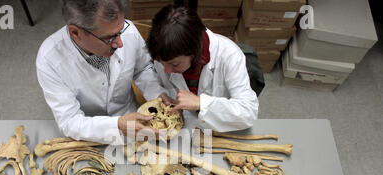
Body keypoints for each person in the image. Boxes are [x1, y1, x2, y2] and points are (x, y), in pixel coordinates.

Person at [36, 0, 173, 144]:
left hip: (132, 117)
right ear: (75, 33)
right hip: (87, 133)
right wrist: (116, 125)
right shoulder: (49, 59)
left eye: (120, 31)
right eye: (109, 38)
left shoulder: (129, 32)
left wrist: (157, 94)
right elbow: (70, 121)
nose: (120, 43)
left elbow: (142, 69)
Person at [146, 5, 259, 132]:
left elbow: (248, 113)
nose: (166, 70)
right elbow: (149, 75)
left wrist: (200, 103)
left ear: (195, 52)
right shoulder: (164, 53)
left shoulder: (230, 56)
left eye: (175, 64)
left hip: (218, 127)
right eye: (161, 63)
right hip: (181, 126)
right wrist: (159, 93)